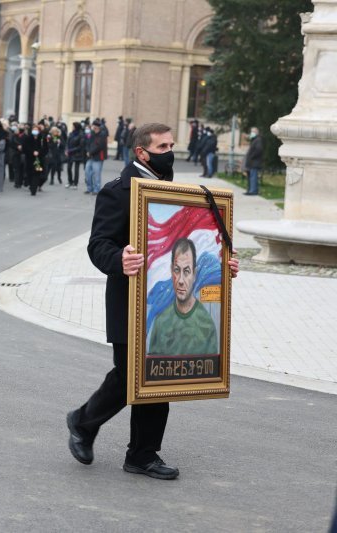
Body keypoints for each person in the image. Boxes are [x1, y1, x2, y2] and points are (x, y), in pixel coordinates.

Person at [65, 122, 240, 480]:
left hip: (164, 303)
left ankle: (142, 454)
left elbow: (193, 245)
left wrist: (223, 265)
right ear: (142, 152)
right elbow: (99, 244)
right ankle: (84, 422)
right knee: (130, 375)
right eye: (163, 146)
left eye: (172, 144)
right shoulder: (119, 191)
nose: (170, 151)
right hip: (129, 301)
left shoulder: (174, 193)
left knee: (159, 376)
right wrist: (120, 259)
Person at [148, 238, 219, 355]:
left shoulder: (206, 324)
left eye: (186, 271)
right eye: (177, 270)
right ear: (171, 271)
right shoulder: (161, 321)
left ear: (194, 274)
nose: (180, 280)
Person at [84, 119, 107, 194]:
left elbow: (100, 146)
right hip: (90, 157)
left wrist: (90, 152)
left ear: (97, 127)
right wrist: (87, 151)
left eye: (93, 126)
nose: (92, 127)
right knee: (87, 173)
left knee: (96, 174)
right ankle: (89, 188)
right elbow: (87, 143)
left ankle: (96, 189)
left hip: (98, 158)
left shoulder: (102, 135)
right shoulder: (91, 133)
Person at [243, 127, 263, 196]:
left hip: (254, 162)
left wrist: (251, 156)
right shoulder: (254, 140)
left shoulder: (258, 140)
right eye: (251, 131)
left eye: (253, 131)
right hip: (252, 162)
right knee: (251, 176)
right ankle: (250, 190)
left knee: (253, 177)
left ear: (257, 132)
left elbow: (258, 150)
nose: (251, 133)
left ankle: (253, 191)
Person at [66, 122, 84, 189]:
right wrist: (66, 149)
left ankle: (75, 184)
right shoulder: (71, 133)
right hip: (70, 154)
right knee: (68, 168)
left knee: (76, 169)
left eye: (73, 126)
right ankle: (70, 182)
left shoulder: (81, 134)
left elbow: (80, 146)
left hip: (77, 154)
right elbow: (67, 142)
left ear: (76, 127)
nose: (72, 127)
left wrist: (70, 150)